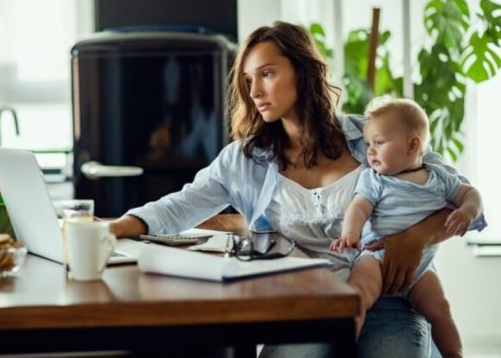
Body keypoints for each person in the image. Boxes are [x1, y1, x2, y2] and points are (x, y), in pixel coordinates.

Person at [109, 21, 486, 356]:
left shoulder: (371, 137)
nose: (255, 91)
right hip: (306, 300)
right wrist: (113, 227)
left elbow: (458, 197)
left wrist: (417, 238)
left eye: (267, 74)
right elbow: (179, 207)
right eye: (248, 81)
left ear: (303, 72)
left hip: (390, 298)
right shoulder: (243, 160)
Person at [330, 97, 483, 358]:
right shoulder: (375, 179)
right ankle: (344, 350)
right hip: (375, 258)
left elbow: (471, 194)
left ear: (413, 144)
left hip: (420, 268)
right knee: (358, 298)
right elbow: (359, 207)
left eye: (379, 142)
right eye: (368, 144)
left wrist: (467, 210)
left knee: (441, 309)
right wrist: (351, 234)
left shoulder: (439, 178)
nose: (370, 152)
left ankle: (455, 354)